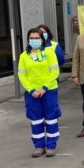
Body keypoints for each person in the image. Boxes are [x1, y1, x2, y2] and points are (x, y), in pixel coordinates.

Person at [18, 28, 61, 158]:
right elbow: (22, 75)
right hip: (32, 94)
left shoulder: (49, 52)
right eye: (32, 38)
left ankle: (50, 146)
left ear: (42, 40)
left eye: (37, 38)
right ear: (28, 39)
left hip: (48, 91)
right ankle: (39, 146)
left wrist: (44, 88)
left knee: (51, 119)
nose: (34, 40)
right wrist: (31, 90)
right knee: (36, 120)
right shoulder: (24, 56)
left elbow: (55, 72)